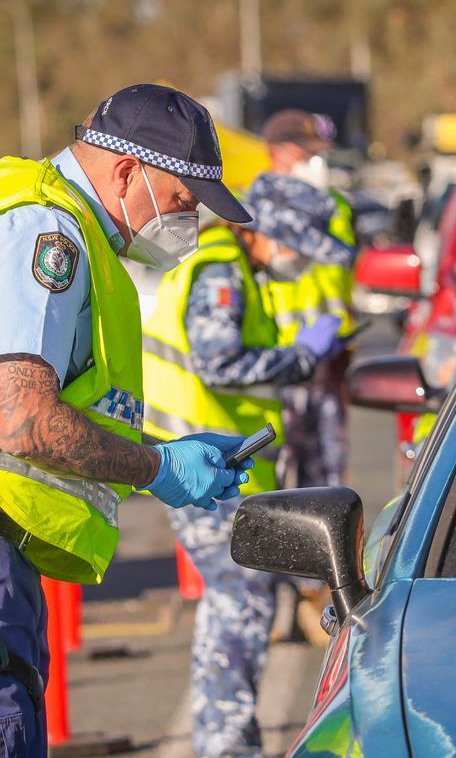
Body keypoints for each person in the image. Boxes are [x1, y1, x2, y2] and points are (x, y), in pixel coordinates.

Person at [0, 83, 256, 756]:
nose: (187, 223)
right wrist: (158, 467)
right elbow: (22, 417)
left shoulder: (61, 226)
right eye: (180, 201)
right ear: (126, 171)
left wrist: (161, 451)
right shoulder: (48, 233)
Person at [142, 172, 355, 758]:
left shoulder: (232, 268)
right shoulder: (220, 271)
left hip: (211, 468)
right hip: (203, 470)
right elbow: (219, 362)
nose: (300, 261)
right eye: (298, 245)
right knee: (242, 605)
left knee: (236, 605)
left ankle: (226, 739)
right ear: (270, 232)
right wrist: (299, 359)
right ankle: (228, 744)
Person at [260, 109, 358, 491]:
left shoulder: (337, 205)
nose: (316, 162)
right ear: (278, 152)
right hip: (281, 358)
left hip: (331, 358)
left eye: (320, 152)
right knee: (280, 472)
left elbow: (345, 269)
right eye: (306, 153)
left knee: (329, 475)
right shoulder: (256, 206)